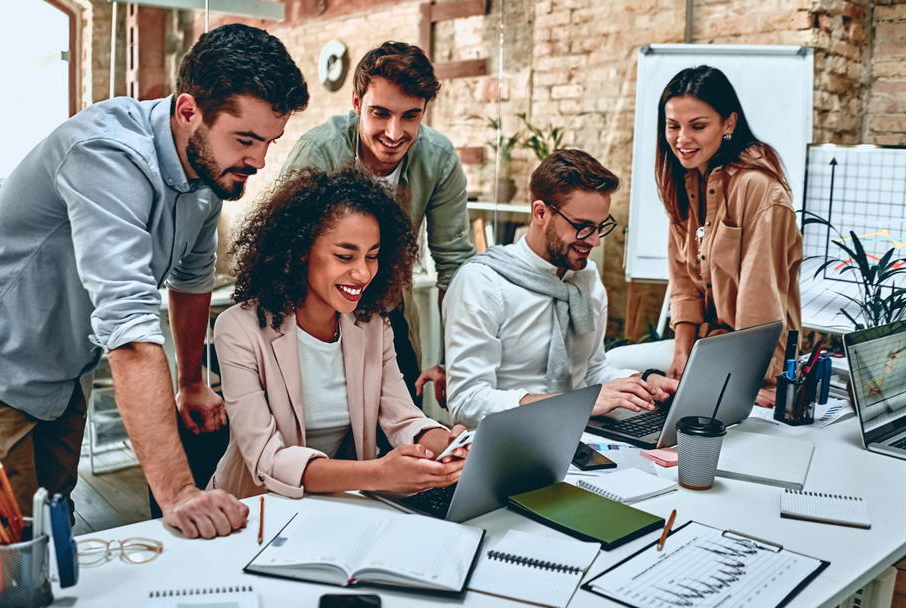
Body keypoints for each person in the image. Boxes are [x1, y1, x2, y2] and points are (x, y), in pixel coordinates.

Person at [0, 24, 309, 546]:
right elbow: (128, 330)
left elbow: (191, 280)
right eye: (246, 139)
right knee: (13, 541)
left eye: (269, 142)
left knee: (56, 522)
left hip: (62, 362)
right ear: (189, 111)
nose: (259, 162)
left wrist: (191, 381)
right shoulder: (105, 154)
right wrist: (177, 493)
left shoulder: (208, 175)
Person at [208, 167, 467, 499]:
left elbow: (402, 417)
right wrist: (378, 474)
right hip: (253, 510)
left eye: (372, 257)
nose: (362, 273)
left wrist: (448, 444)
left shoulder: (373, 325)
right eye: (345, 256)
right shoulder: (239, 329)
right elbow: (267, 459)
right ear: (301, 250)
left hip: (339, 504)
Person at [279, 41, 475, 408]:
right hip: (314, 318)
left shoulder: (439, 158)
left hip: (388, 312)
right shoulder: (318, 152)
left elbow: (456, 265)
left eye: (410, 116)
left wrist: (455, 362)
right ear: (356, 104)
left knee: (405, 430)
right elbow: (285, 255)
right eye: (380, 113)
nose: (394, 131)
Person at [444, 150, 679, 428]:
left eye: (600, 227)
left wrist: (645, 382)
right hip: (510, 439)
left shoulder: (586, 278)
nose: (594, 241)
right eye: (582, 227)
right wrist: (577, 403)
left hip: (583, 432)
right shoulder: (482, 283)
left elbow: (593, 371)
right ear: (541, 212)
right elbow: (467, 402)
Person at [656, 65, 801, 407]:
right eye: (673, 126)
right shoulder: (685, 181)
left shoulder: (759, 189)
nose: (682, 139)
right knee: (620, 368)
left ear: (729, 124)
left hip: (756, 364)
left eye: (698, 126)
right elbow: (683, 283)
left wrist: (745, 383)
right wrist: (681, 354)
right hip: (707, 350)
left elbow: (759, 301)